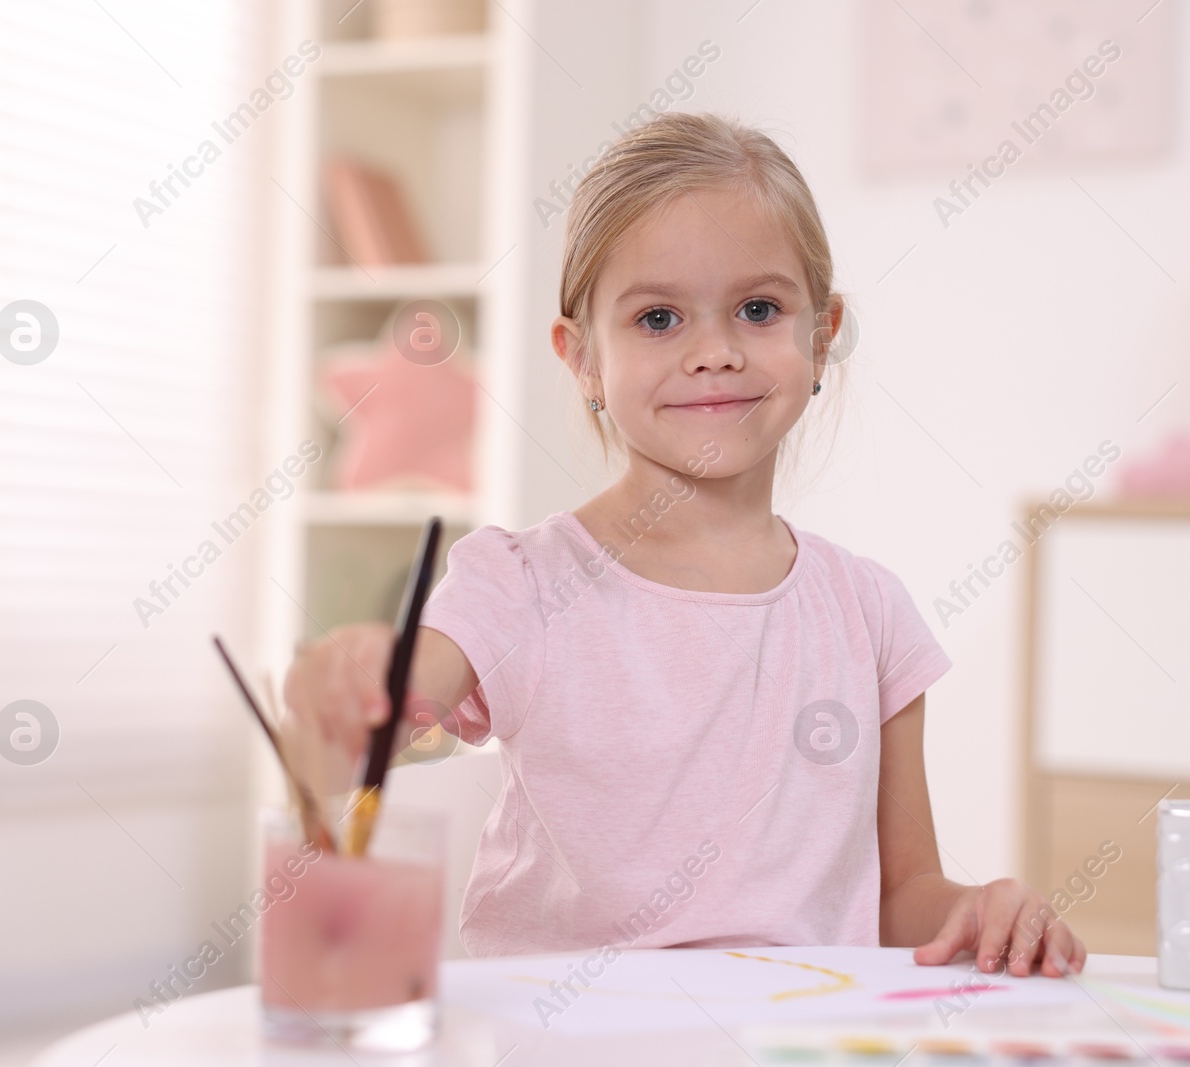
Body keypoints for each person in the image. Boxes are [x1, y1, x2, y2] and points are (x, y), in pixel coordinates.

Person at [284, 110, 1085, 976]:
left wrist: (978, 908)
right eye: (659, 318)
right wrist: (349, 693)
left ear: (820, 339)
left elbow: (901, 899)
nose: (714, 351)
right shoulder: (515, 583)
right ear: (582, 358)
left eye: (757, 308)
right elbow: (351, 752)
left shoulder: (870, 614)